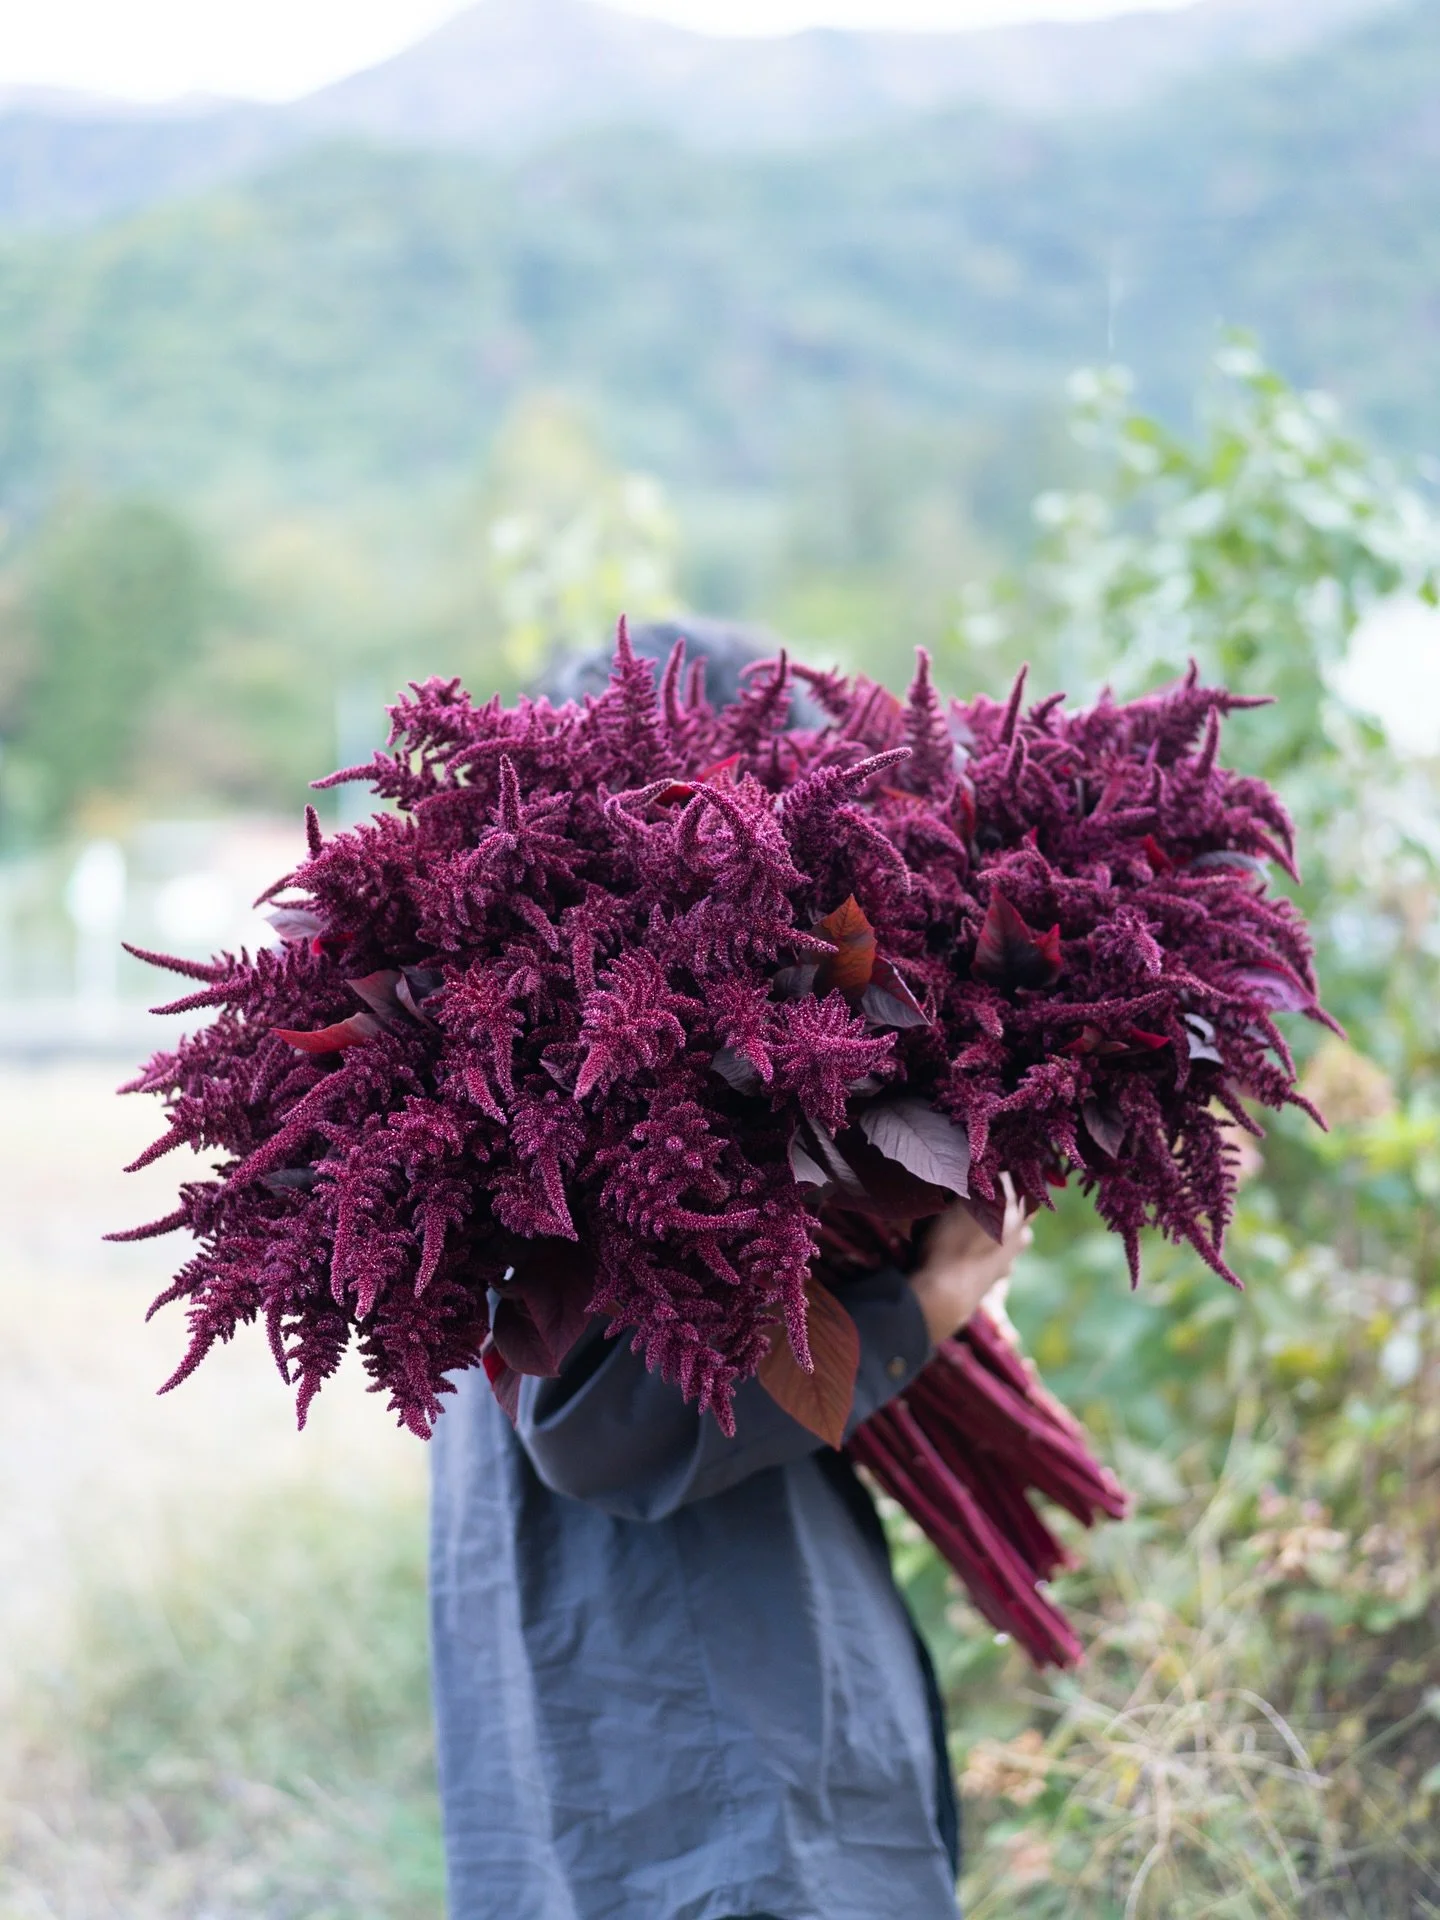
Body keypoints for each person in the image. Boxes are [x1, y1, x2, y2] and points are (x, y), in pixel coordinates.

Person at [428, 622, 1032, 1918]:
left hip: (651, 1725)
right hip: (697, 1751)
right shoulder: (556, 1089)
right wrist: (921, 1302)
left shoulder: (546, 1085)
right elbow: (598, 1426)